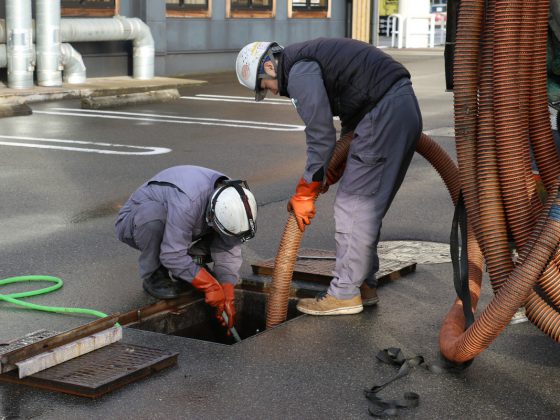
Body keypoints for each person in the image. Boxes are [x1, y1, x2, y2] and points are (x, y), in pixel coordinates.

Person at [236, 38, 422, 316]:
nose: (273, 92)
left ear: (269, 66)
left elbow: (320, 134)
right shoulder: (310, 58)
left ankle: (344, 294)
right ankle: (363, 287)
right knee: (367, 210)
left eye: (265, 85)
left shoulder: (298, 70)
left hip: (383, 114)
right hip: (399, 107)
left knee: (353, 207)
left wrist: (306, 191)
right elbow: (353, 113)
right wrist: (335, 164)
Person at [115, 165, 257, 329]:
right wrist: (209, 285)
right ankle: (153, 274)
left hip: (185, 222)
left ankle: (191, 267)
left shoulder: (234, 200)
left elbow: (228, 248)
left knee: (223, 236)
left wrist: (227, 291)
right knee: (153, 219)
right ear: (212, 215)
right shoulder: (188, 202)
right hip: (137, 222)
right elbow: (172, 255)